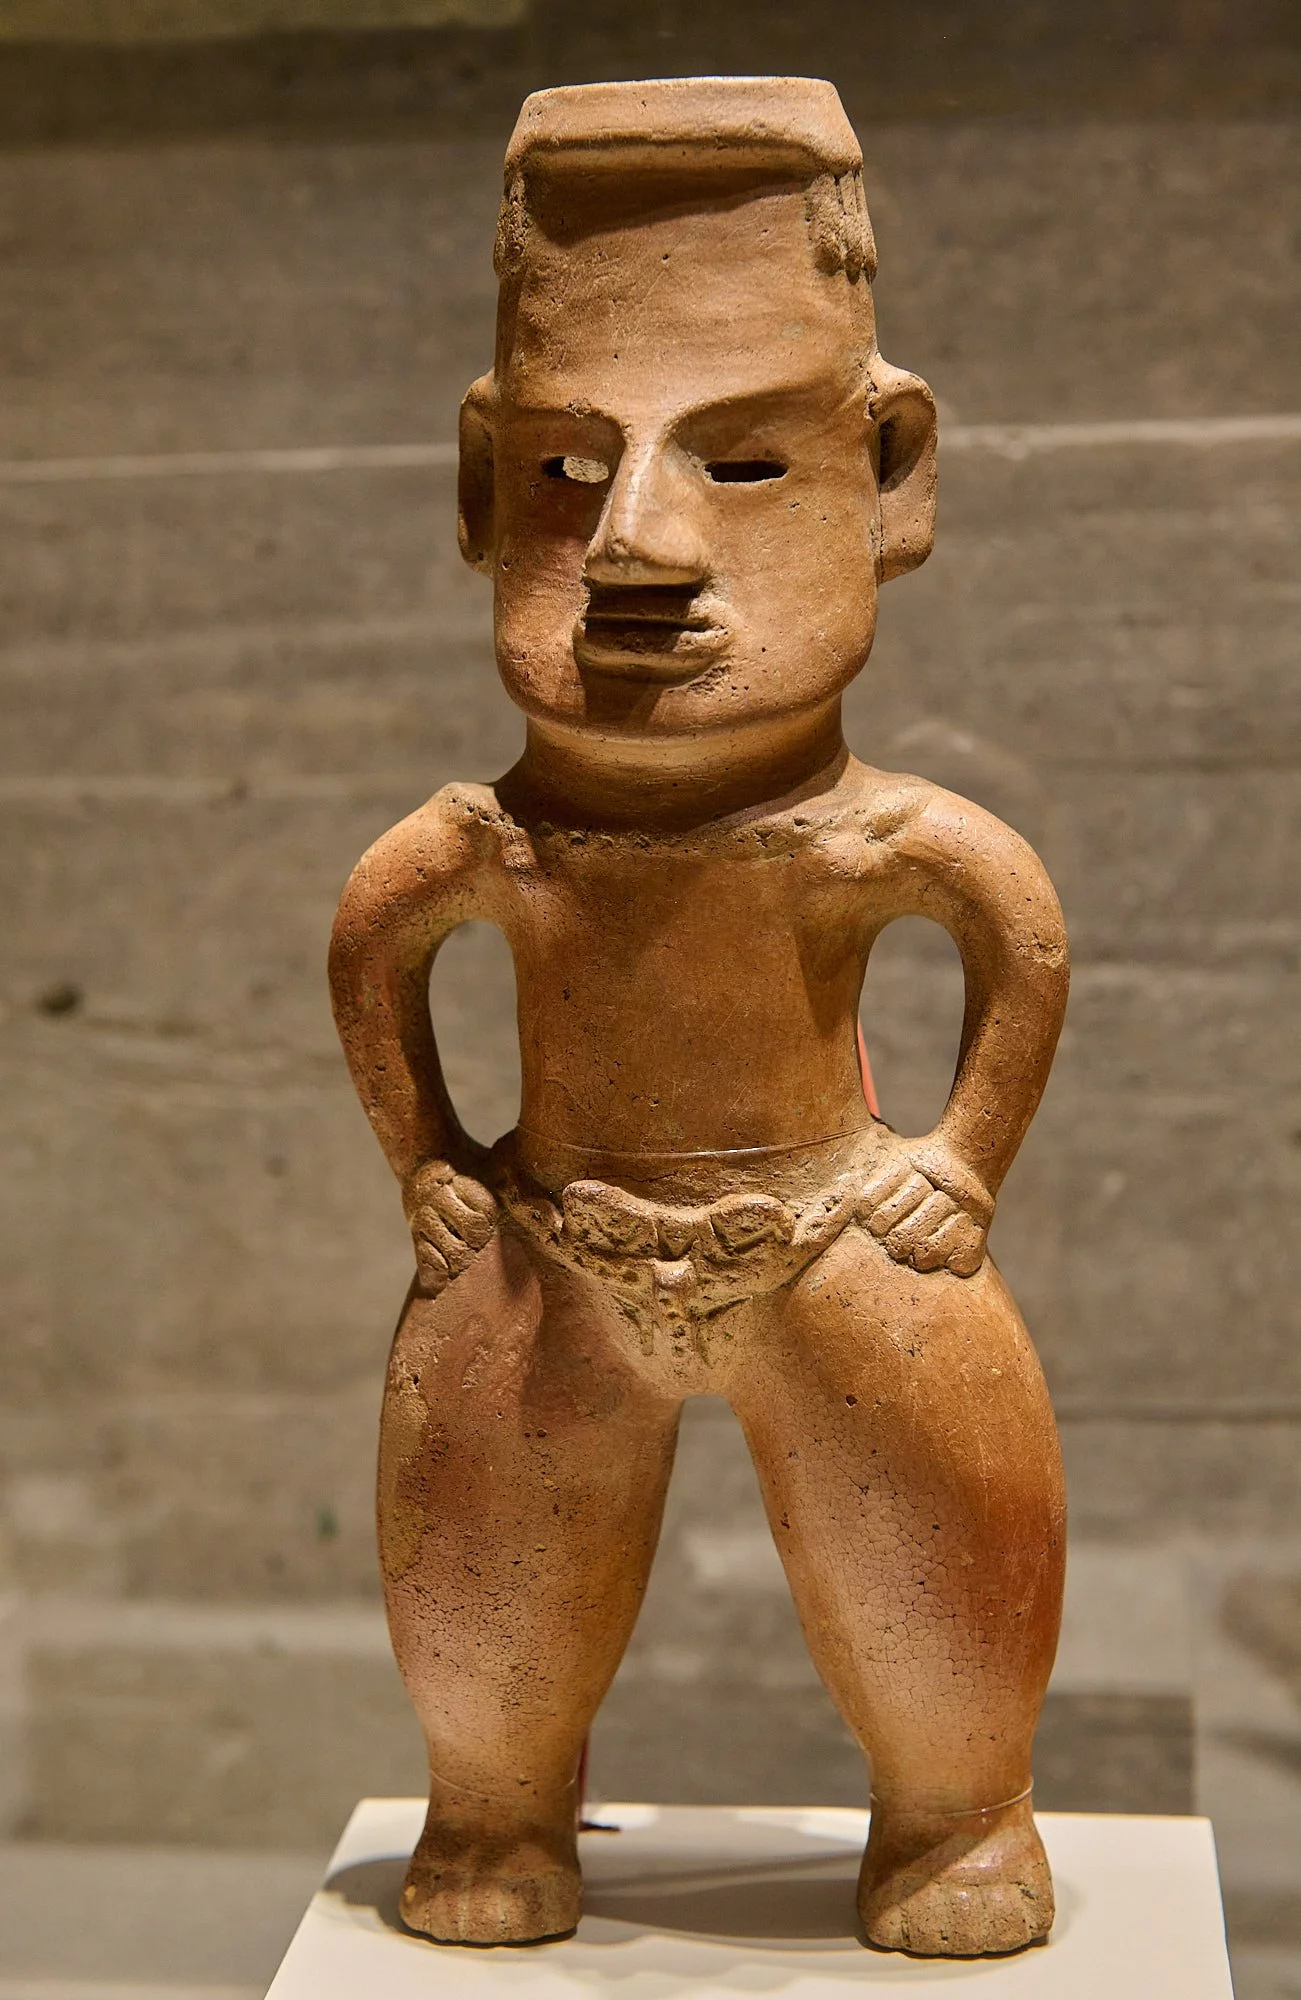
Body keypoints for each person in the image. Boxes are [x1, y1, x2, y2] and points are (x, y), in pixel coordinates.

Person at [330, 75, 1068, 1958]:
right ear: (484, 487)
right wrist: (430, 1164)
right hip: (546, 1243)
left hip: (835, 1228)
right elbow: (377, 945)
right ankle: (496, 1813)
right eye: (567, 474)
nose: (640, 547)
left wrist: (958, 1163)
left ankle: (959, 1815)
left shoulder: (869, 835)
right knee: (479, 1605)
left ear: (891, 477)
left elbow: (1012, 931)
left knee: (947, 1563)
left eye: (743, 463)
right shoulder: (494, 842)